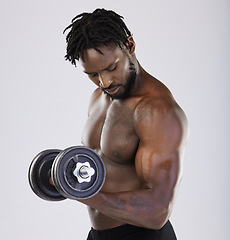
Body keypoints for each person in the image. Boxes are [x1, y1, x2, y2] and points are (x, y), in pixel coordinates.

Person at [63, 8, 188, 240]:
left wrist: (78, 192)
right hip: (97, 234)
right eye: (92, 74)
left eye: (111, 68)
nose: (105, 82)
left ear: (129, 45)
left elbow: (158, 210)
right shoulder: (98, 98)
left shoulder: (157, 110)